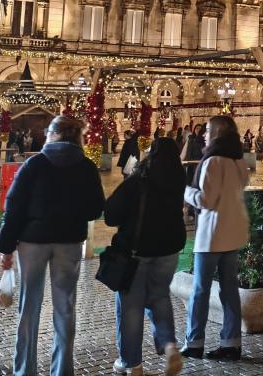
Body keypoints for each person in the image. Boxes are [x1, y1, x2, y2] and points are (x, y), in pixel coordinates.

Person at [0, 116, 105, 376]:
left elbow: (14, 206)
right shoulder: (86, 167)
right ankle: (62, 370)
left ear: (53, 134)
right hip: (69, 242)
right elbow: (95, 209)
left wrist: (6, 247)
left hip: (32, 241)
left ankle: (25, 370)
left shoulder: (34, 164)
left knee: (29, 306)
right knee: (65, 306)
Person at [104, 137, 186, 376]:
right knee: (159, 297)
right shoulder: (177, 180)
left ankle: (132, 365)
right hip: (168, 250)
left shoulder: (138, 182)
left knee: (130, 307)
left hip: (137, 251)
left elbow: (111, 214)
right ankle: (169, 346)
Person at [182, 116, 249, 362]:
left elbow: (205, 200)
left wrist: (185, 190)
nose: (204, 134)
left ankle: (194, 342)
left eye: (209, 130)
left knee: (200, 290)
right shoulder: (238, 162)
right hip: (233, 233)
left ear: (218, 132)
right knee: (229, 290)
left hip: (212, 236)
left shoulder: (212, 162)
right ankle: (231, 343)